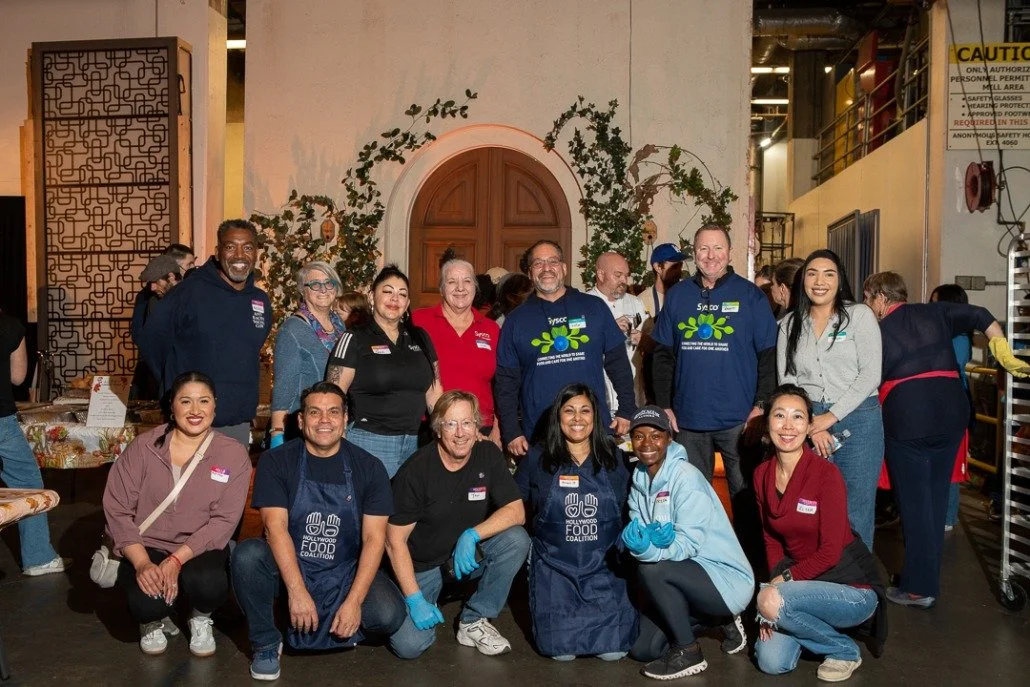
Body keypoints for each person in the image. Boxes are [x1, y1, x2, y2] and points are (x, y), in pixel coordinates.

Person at [863, 271, 1029, 608]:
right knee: (936, 500)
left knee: (914, 503)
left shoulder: (877, 331)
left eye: (868, 299)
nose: (868, 306)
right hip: (952, 407)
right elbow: (983, 315)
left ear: (880, 297)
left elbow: (869, 378)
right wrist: (1001, 349)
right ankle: (925, 578)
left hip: (911, 413)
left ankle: (918, 587)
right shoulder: (934, 312)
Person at [231, 382, 405, 680]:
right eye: (315, 412)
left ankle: (339, 620)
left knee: (388, 615)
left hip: (344, 570)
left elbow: (374, 539)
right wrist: (297, 592)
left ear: (345, 418)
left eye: (333, 412)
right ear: (301, 421)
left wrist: (353, 602)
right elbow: (275, 529)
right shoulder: (277, 461)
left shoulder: (369, 467)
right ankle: (267, 643)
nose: (324, 420)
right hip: (289, 569)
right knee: (247, 555)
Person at [102, 371, 251, 656]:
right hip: (145, 544)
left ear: (214, 406)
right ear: (172, 405)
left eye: (203, 401)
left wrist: (176, 559)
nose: (195, 411)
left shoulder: (232, 454)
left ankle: (199, 615)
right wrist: (143, 563)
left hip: (198, 546)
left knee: (209, 585)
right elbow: (118, 510)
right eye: (186, 402)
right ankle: (153, 620)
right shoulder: (144, 447)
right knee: (146, 603)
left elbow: (224, 522)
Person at [754, 385, 884, 683]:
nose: (788, 426)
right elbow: (771, 539)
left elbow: (830, 552)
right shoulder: (762, 474)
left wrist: (776, 591)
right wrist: (774, 591)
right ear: (768, 423)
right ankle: (808, 624)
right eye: (779, 416)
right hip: (802, 585)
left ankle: (844, 650)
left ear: (809, 425)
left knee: (771, 602)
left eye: (798, 417)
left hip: (852, 589)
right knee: (771, 662)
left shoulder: (826, 475)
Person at [386, 390, 530, 659]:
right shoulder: (416, 471)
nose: (460, 432)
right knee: (409, 646)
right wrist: (414, 598)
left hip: (460, 561)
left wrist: (472, 534)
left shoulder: (487, 454)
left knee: (516, 539)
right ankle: (417, 600)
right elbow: (393, 541)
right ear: (438, 429)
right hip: (423, 569)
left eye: (467, 423)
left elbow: (516, 511)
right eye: (451, 424)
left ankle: (474, 620)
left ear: (477, 427)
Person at [624, 405, 754, 679]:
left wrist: (646, 549)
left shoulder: (686, 477)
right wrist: (640, 543)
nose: (647, 443)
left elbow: (687, 546)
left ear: (669, 439)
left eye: (656, 435)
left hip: (724, 578)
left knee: (650, 569)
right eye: (639, 436)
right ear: (631, 441)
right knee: (644, 648)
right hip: (682, 575)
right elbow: (641, 531)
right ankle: (715, 620)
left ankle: (689, 651)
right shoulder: (638, 481)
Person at [652, 225, 778, 499]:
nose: (711, 255)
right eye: (703, 249)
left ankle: (744, 544)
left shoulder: (751, 296)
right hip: (688, 419)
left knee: (745, 497)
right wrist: (665, 406)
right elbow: (662, 356)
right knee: (692, 498)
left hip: (739, 419)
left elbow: (768, 357)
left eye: (718, 248)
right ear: (694, 254)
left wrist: (760, 407)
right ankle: (698, 544)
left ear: (730, 253)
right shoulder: (677, 296)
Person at [514, 383, 637, 662]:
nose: (577, 418)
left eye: (585, 410)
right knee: (562, 655)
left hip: (606, 573)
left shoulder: (615, 459)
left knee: (614, 653)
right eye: (569, 411)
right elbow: (512, 504)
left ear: (596, 416)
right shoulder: (537, 458)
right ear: (558, 417)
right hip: (555, 574)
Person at [777, 249, 882, 548]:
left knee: (856, 508)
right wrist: (812, 423)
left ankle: (858, 587)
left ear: (840, 280)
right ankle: (820, 581)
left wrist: (829, 418)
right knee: (811, 506)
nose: (819, 281)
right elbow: (788, 381)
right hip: (808, 423)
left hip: (859, 420)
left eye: (829, 273)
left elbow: (870, 375)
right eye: (812, 273)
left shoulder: (860, 316)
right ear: (803, 281)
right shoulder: (789, 325)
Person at [495, 240, 636, 457]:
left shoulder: (594, 308)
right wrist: (511, 431)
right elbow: (506, 382)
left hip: (593, 431)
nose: (547, 268)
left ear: (564, 267)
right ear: (530, 272)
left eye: (552, 261)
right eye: (539, 264)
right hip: (540, 435)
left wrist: (627, 409)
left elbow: (618, 362)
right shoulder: (516, 321)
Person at [138, 219, 272, 447]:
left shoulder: (259, 300)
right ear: (218, 251)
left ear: (256, 253)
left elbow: (249, 350)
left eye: (247, 247)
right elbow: (152, 341)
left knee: (230, 481)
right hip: (191, 423)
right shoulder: (187, 293)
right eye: (230, 247)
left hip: (236, 423)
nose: (239, 255)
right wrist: (175, 385)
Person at [326, 265, 442, 477]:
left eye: (402, 294)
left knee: (406, 509)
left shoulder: (421, 338)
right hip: (368, 442)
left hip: (415, 444)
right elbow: (333, 393)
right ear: (372, 297)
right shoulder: (354, 338)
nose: (394, 298)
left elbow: (435, 393)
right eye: (387, 291)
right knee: (371, 509)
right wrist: (335, 438)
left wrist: (446, 429)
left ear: (407, 303)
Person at [0, 309, 64, 576]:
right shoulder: (9, 325)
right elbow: (17, 378)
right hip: (1, 419)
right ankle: (38, 558)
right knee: (27, 482)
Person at [412, 259, 501, 445]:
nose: (460, 288)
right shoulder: (418, 321)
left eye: (467, 281)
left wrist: (497, 430)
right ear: (442, 289)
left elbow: (502, 384)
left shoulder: (492, 329)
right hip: (429, 427)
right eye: (452, 282)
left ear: (475, 288)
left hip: (479, 428)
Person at [269, 261, 346, 447]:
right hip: (303, 427)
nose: (323, 289)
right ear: (303, 291)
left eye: (329, 283)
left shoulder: (339, 325)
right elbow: (283, 386)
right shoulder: (293, 329)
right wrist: (277, 433)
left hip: (332, 424)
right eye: (315, 284)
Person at [929, 284, 973, 532]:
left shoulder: (957, 336)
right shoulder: (949, 333)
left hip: (952, 403)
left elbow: (951, 364)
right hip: (938, 402)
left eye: (937, 303)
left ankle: (947, 517)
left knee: (951, 461)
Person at [587, 252, 647, 409]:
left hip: (632, 390)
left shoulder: (635, 303)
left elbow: (648, 341)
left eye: (626, 276)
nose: (624, 281)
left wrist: (643, 339)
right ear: (600, 274)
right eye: (618, 275)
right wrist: (609, 330)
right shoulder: (584, 304)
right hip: (600, 391)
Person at [638, 243, 686, 404]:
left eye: (680, 264)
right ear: (657, 267)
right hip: (654, 382)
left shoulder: (686, 297)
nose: (679, 269)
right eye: (674, 264)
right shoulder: (641, 301)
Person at [130, 254, 182, 400]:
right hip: (159, 376)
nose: (152, 287)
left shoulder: (191, 296)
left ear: (171, 277)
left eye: (155, 281)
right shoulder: (154, 301)